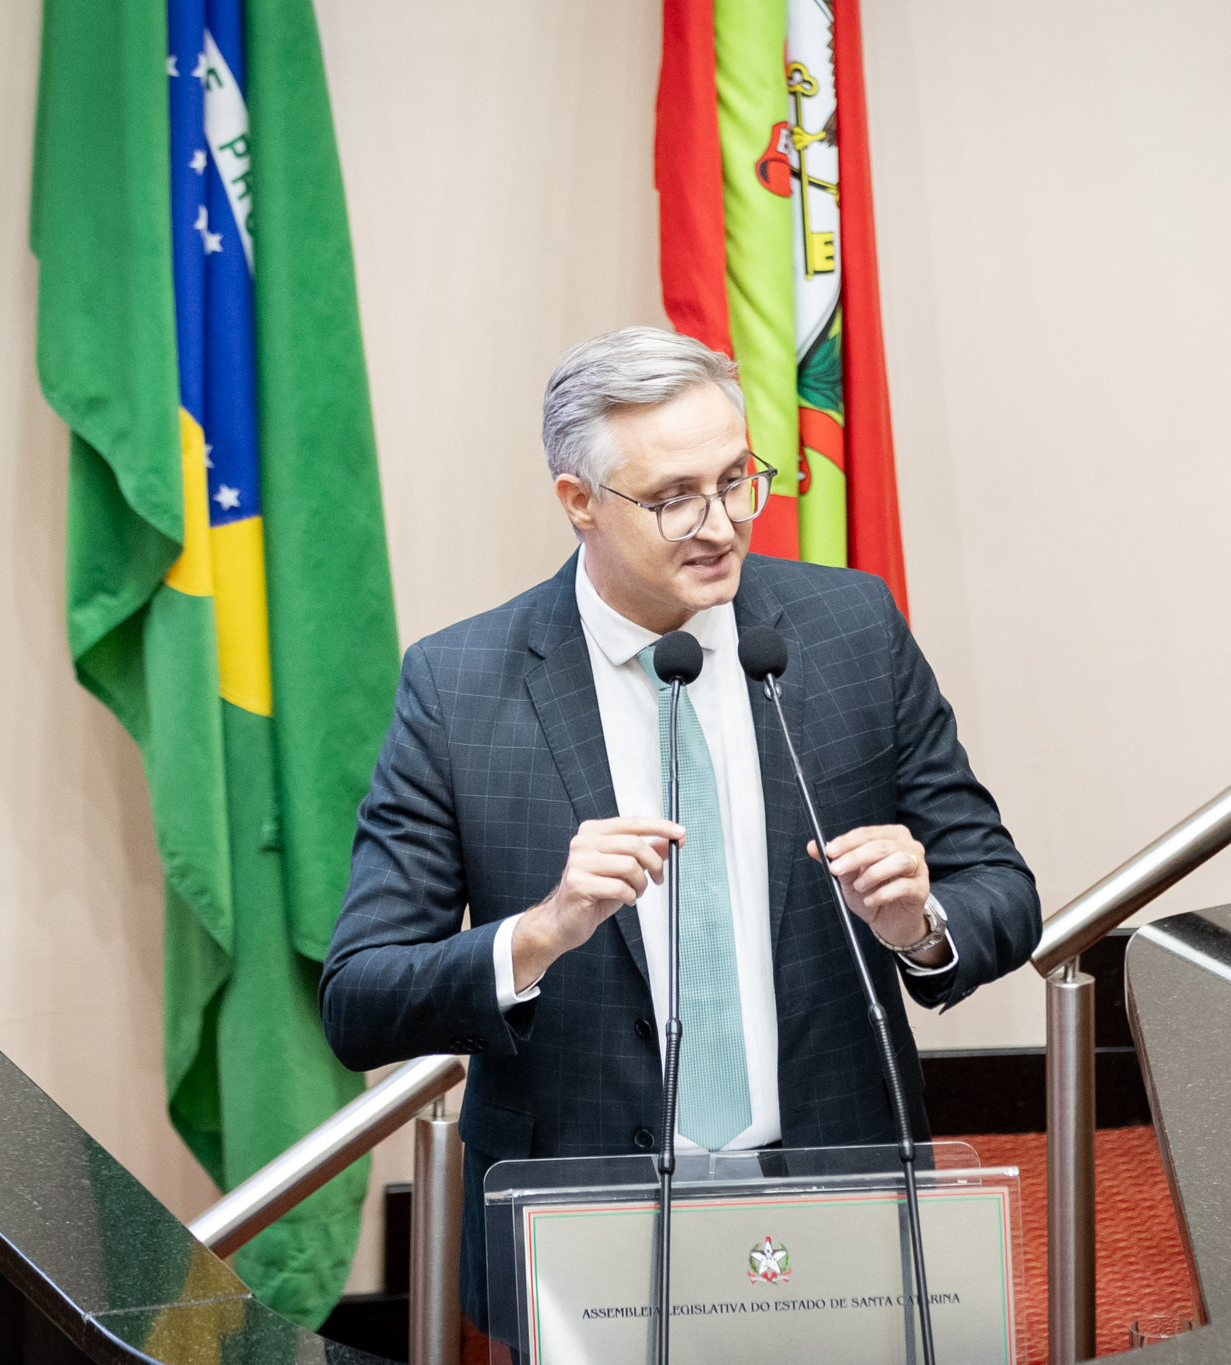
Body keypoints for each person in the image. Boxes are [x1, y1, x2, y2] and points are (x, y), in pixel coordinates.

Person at [320, 326, 1040, 1334]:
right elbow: (360, 998)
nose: (720, 525)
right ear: (579, 500)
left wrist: (921, 926)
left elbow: (1001, 889)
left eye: (737, 480)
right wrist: (539, 933)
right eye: (673, 499)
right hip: (584, 1219)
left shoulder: (849, 629)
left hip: (839, 1189)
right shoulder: (460, 687)